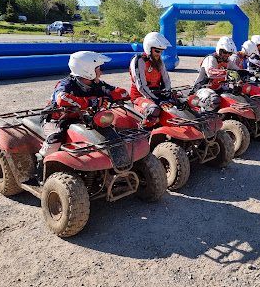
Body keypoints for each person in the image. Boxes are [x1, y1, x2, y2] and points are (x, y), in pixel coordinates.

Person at [37, 51, 129, 182]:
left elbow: (123, 92)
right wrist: (93, 101)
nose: (101, 73)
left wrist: (107, 98)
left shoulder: (97, 84)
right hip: (56, 118)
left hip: (80, 117)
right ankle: (41, 165)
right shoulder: (66, 84)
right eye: (98, 69)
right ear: (88, 70)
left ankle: (113, 170)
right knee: (55, 138)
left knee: (109, 131)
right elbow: (62, 99)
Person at [129, 32, 173, 127]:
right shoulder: (139, 61)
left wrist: (167, 95)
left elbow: (166, 80)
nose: (159, 54)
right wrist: (157, 101)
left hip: (157, 94)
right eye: (157, 51)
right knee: (154, 109)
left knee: (180, 102)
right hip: (139, 96)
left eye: (161, 51)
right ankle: (143, 130)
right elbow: (141, 87)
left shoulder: (159, 60)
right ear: (149, 48)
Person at [193, 36, 239, 112]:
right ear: (219, 50)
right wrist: (227, 72)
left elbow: (238, 69)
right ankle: (202, 118)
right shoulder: (210, 59)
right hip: (202, 89)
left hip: (218, 88)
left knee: (236, 95)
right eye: (225, 52)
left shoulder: (226, 61)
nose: (227, 55)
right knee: (214, 100)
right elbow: (210, 73)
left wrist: (247, 72)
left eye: (229, 53)